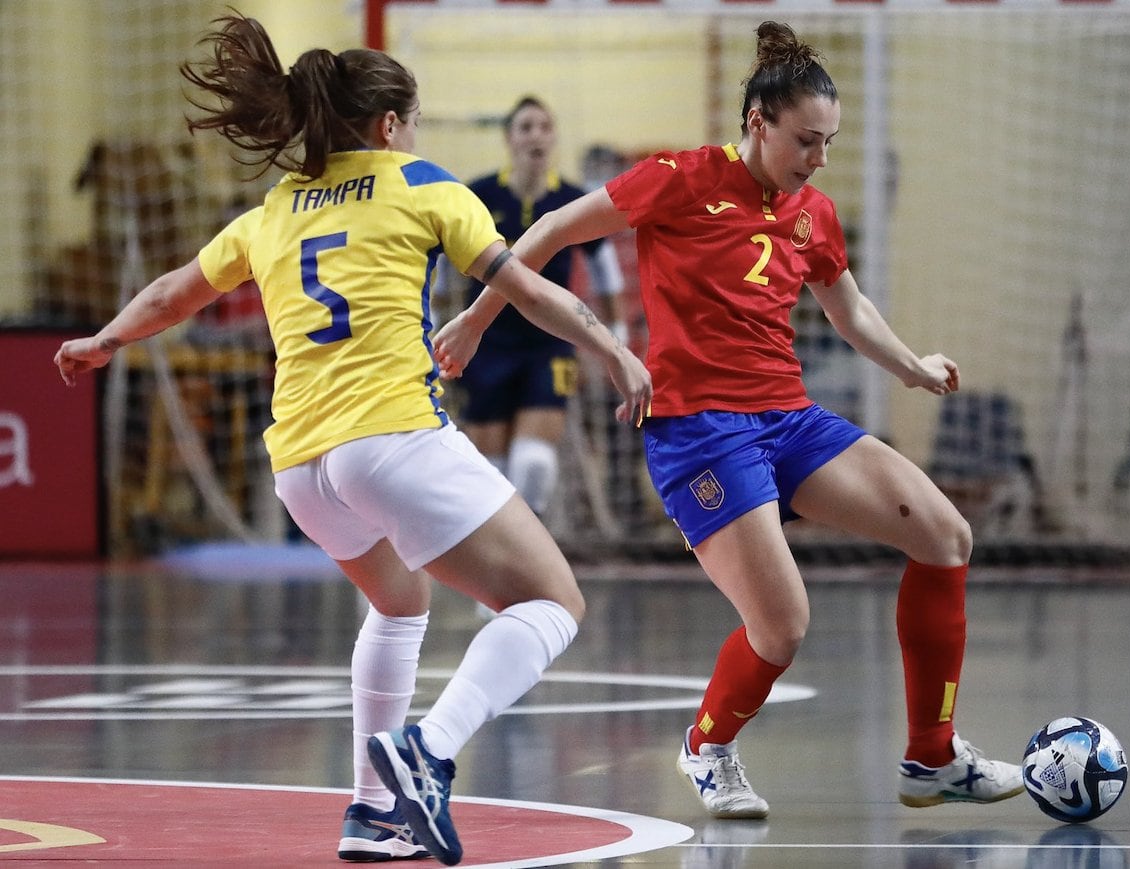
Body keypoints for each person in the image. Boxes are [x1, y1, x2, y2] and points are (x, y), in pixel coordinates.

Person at [53, 12, 650, 866]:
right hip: (391, 437)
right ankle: (429, 749)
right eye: (412, 118)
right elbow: (527, 287)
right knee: (552, 601)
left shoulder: (275, 208)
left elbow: (173, 290)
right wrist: (616, 348)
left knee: (399, 602)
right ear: (387, 126)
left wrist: (105, 339)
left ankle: (372, 812)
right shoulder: (424, 183)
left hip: (300, 465)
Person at [433, 20, 1023, 820]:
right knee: (780, 625)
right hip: (698, 429)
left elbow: (847, 311)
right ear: (757, 123)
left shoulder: (811, 212)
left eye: (828, 143)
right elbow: (545, 234)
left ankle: (931, 756)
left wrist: (912, 365)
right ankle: (706, 747)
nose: (818, 160)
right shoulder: (678, 179)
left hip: (789, 417)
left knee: (945, 534)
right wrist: (475, 316)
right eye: (805, 142)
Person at [448, 97, 629, 522]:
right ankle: (491, 578)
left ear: (554, 139)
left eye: (545, 127)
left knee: (533, 466)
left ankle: (525, 559)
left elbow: (606, 269)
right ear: (508, 139)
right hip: (487, 344)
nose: (536, 136)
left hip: (550, 345)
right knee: (490, 474)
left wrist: (615, 338)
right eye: (525, 127)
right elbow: (444, 266)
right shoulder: (478, 195)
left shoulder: (572, 199)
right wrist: (441, 322)